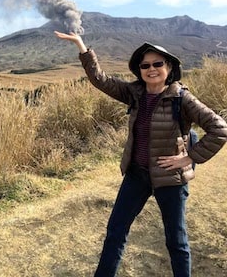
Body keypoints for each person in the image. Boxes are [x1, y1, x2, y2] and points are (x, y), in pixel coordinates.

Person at [54, 31, 227, 277]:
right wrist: (81, 46)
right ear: (139, 70)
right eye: (145, 65)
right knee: (115, 232)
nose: (151, 69)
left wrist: (190, 157)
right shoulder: (135, 94)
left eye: (158, 63)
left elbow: (219, 128)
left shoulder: (182, 98)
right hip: (137, 175)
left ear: (169, 67)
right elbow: (100, 80)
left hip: (170, 178)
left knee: (176, 241)